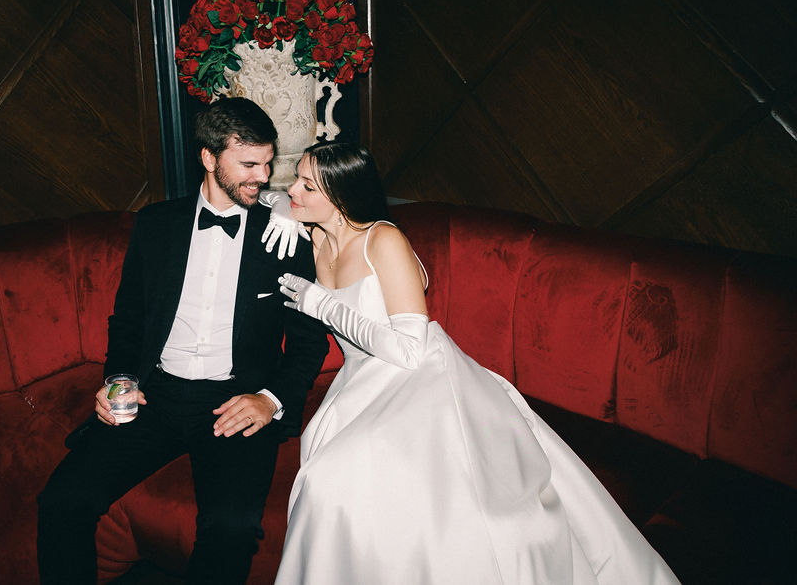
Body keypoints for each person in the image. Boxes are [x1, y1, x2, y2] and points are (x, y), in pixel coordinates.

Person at [263, 141, 680, 584]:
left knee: (334, 478)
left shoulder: (382, 240)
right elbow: (263, 194)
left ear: (340, 197)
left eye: (307, 185)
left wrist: (322, 305)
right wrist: (278, 209)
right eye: (298, 181)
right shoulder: (316, 234)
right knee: (327, 475)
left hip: (419, 376)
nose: (294, 189)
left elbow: (408, 347)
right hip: (361, 380)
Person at [36, 97, 329, 585]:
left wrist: (269, 399)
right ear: (210, 158)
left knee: (232, 530)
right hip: (155, 394)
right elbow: (128, 320)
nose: (264, 176)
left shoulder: (285, 236)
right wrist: (120, 380)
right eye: (249, 164)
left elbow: (308, 342)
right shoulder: (155, 225)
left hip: (233, 400)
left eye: (268, 163)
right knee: (63, 499)